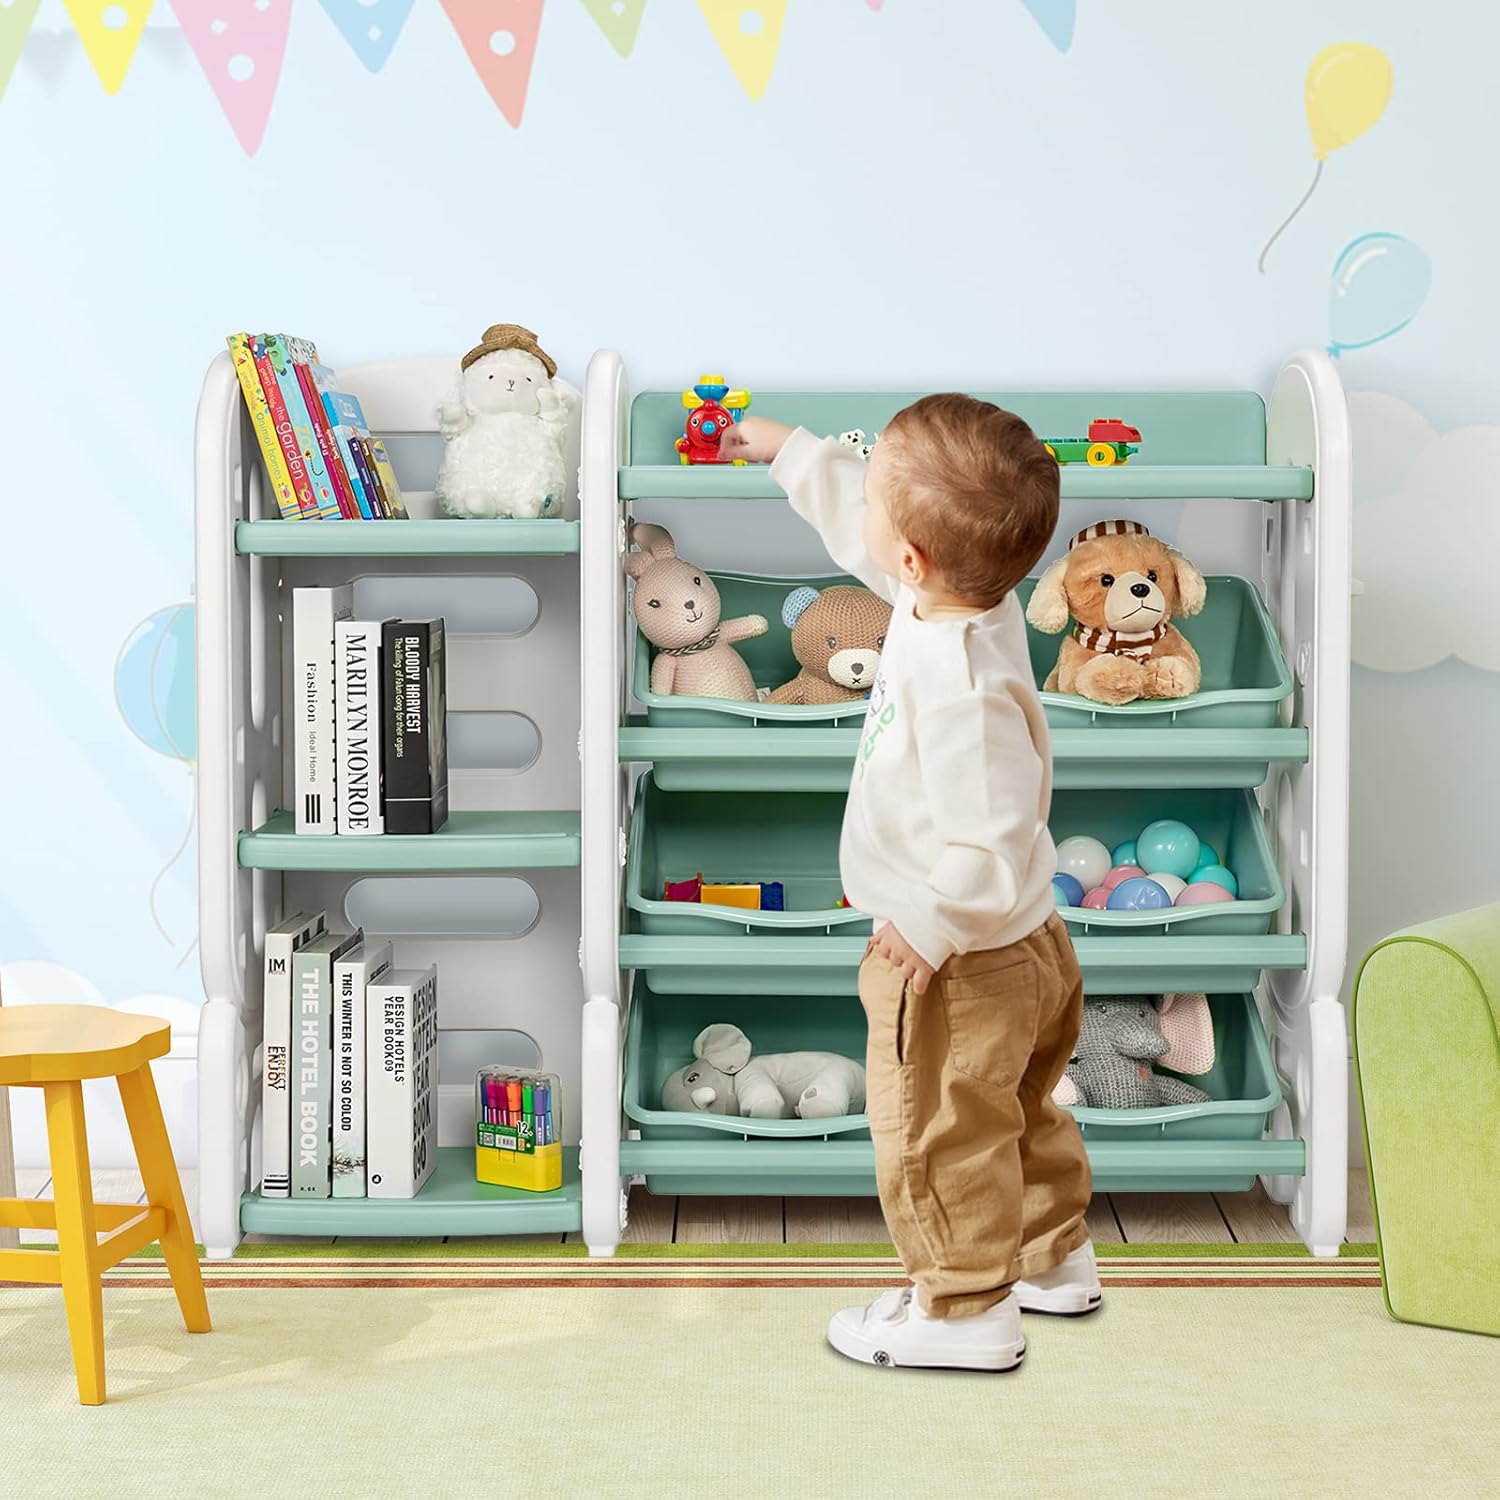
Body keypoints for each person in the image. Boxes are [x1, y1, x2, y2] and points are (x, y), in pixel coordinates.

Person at [720, 398, 1099, 1372]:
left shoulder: (960, 681)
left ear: (914, 562)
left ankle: (964, 1309)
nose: (866, 510)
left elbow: (990, 835)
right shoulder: (965, 601)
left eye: (878, 486)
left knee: (937, 1131)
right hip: (1029, 941)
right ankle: (1050, 1259)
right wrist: (794, 453)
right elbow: (865, 528)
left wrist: (929, 924)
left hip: (962, 958)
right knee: (1018, 1110)